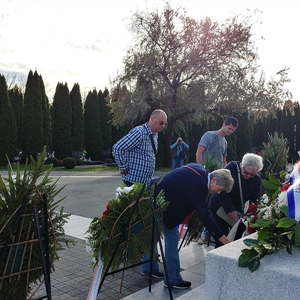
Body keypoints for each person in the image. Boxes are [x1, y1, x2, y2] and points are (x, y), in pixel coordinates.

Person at [144, 163, 234, 289]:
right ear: (213, 180)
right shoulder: (198, 184)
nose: (218, 192)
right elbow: (205, 216)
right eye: (220, 188)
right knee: (171, 240)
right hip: (160, 205)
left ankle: (149, 268)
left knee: (152, 237)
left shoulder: (200, 170)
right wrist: (223, 239)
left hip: (154, 196)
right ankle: (172, 279)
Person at [196, 116, 239, 243]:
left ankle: (209, 233)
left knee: (213, 205)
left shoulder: (225, 142)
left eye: (233, 130)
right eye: (229, 128)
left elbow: (224, 159)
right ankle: (203, 233)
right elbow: (199, 152)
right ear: (224, 124)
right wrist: (200, 170)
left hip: (218, 179)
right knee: (203, 204)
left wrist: (226, 174)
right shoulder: (209, 135)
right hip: (207, 175)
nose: (230, 132)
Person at [208, 153, 263, 248]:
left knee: (239, 235)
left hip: (237, 209)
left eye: (252, 174)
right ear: (241, 165)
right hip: (220, 206)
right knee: (222, 236)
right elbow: (221, 190)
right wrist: (230, 209)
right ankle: (219, 255)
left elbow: (255, 201)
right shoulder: (232, 167)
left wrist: (248, 216)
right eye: (246, 172)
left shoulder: (257, 180)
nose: (249, 176)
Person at [112, 109, 167, 187]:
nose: (163, 126)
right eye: (161, 123)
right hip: (132, 182)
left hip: (146, 182)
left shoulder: (155, 134)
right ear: (152, 118)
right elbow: (118, 148)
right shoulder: (139, 132)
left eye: (165, 123)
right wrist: (123, 167)